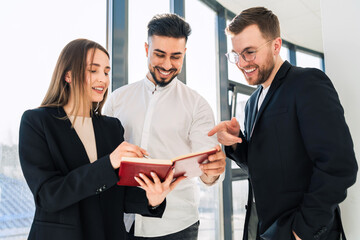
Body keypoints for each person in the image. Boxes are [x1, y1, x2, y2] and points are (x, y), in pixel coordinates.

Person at [208, 7, 358, 240]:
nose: (241, 63)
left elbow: (339, 166)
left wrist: (302, 230)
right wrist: (238, 144)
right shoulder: (252, 102)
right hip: (267, 229)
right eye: (236, 55)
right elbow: (267, 166)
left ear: (276, 46)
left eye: (249, 52)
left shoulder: (308, 83)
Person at [18, 38, 184, 240]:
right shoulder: (36, 122)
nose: (103, 79)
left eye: (106, 72)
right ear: (68, 75)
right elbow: (48, 196)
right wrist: (109, 163)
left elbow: (119, 195)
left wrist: (153, 199)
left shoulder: (112, 127)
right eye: (93, 70)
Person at [103, 13, 226, 239]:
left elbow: (206, 174)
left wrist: (213, 172)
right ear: (146, 49)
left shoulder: (197, 105)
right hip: (123, 222)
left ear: (185, 54)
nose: (168, 65)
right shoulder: (117, 100)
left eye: (176, 57)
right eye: (159, 54)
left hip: (176, 226)